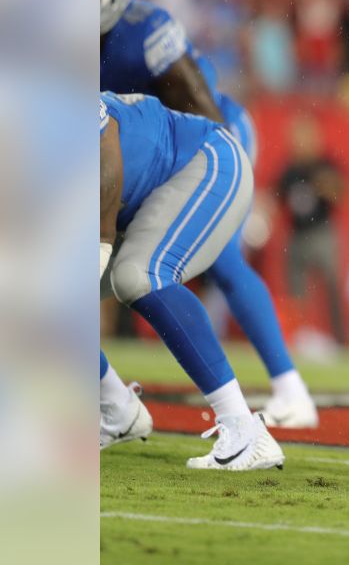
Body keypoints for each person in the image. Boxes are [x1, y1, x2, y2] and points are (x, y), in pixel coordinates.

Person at [99, 0, 317, 427]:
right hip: (152, 153)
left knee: (221, 258)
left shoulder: (146, 30)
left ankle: (288, 388)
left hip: (210, 134)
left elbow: (200, 106)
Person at [100, 92, 285, 470]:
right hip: (139, 201)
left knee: (139, 276)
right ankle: (116, 408)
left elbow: (105, 145)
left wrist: (100, 242)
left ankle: (245, 429)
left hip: (203, 160)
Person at [278, 115, 347, 345]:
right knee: (296, 293)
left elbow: (342, 193)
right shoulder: (290, 170)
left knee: (332, 288)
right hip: (297, 235)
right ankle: (299, 337)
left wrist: (327, 186)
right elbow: (277, 198)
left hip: (322, 232)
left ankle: (339, 340)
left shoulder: (324, 165)